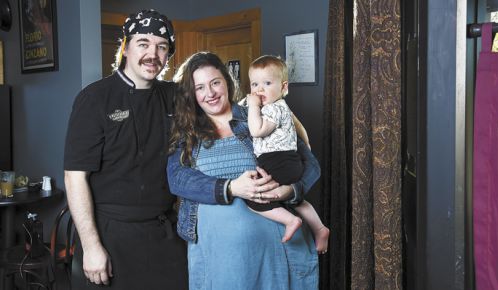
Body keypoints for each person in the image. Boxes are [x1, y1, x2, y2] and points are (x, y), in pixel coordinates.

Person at [167, 51, 320, 289]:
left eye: (215, 82)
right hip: (218, 258)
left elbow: (310, 164)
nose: (210, 93)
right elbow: (177, 179)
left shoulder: (260, 116)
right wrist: (230, 187)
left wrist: (291, 191)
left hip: (275, 247)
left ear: (227, 83)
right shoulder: (187, 133)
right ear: (192, 94)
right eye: (200, 87)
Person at [63, 9, 188, 289]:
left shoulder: (175, 96)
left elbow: (225, 112)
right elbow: (75, 177)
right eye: (143, 43)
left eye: (162, 46)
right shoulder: (94, 98)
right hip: (110, 235)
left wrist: (284, 120)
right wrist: (92, 246)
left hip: (164, 232)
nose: (152, 54)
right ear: (125, 47)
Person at [245, 55, 330, 253]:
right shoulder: (279, 107)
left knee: (255, 199)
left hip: (278, 160)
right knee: (296, 201)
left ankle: (290, 220)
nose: (259, 90)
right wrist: (306, 143)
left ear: (284, 87)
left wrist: (253, 106)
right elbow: (298, 128)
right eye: (255, 84)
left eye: (267, 83)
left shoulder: (274, 108)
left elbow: (257, 130)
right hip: (288, 161)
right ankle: (320, 228)